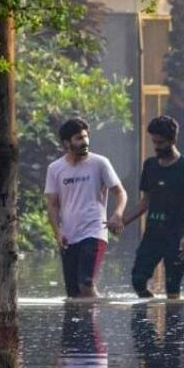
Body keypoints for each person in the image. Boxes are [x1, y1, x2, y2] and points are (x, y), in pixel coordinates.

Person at [44, 117, 127, 299]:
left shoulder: (100, 163)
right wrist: (58, 232)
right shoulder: (55, 168)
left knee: (86, 283)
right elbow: (51, 204)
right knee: (74, 294)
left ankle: (94, 327)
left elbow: (120, 192)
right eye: (79, 139)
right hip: (69, 235)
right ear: (67, 143)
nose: (85, 142)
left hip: (94, 231)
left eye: (86, 137)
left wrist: (117, 214)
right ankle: (85, 324)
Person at [122, 115, 184, 299]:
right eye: (154, 142)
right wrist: (123, 222)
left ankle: (173, 321)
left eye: (161, 142)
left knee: (173, 288)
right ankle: (147, 314)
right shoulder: (150, 166)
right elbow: (145, 202)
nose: (157, 146)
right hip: (153, 233)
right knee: (138, 279)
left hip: (176, 237)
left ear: (173, 140)